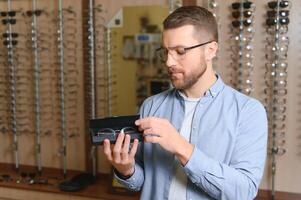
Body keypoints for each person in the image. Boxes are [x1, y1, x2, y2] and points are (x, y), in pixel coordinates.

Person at [102, 6, 268, 200]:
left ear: (210, 50)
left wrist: (181, 147)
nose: (169, 62)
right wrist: (126, 169)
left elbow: (243, 192)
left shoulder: (248, 112)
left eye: (180, 51)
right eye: (165, 51)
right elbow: (140, 182)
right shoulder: (151, 106)